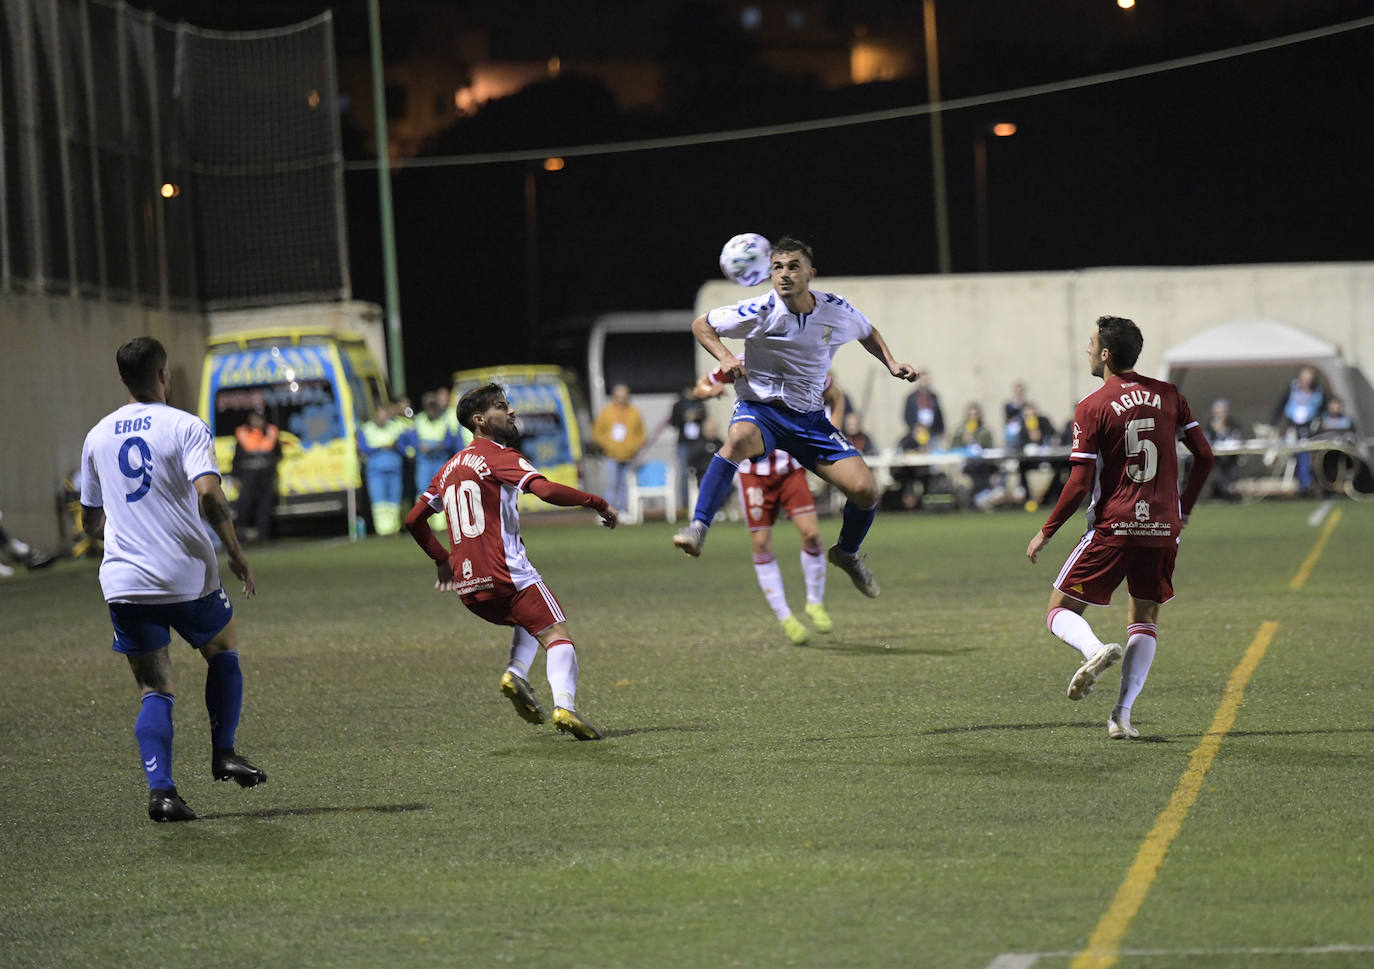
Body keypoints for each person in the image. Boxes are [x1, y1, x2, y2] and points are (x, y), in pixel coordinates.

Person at [79, 336, 266, 822]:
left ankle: (162, 793)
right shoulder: (186, 426)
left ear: (122, 379)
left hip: (125, 582)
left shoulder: (97, 435)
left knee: (154, 688)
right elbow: (210, 496)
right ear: (164, 375)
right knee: (222, 650)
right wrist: (237, 553)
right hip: (187, 575)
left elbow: (89, 519)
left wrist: (113, 538)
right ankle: (223, 751)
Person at [672, 236, 920, 599]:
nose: (784, 275)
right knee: (738, 439)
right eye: (777, 267)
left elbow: (867, 333)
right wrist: (725, 356)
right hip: (762, 411)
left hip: (809, 420)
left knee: (866, 491)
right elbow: (701, 325)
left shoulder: (835, 309)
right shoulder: (758, 310)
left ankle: (847, 553)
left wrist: (892, 362)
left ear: (810, 273)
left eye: (793, 267)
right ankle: (698, 527)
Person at [1026, 316, 1213, 740]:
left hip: (1115, 525)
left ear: (1106, 354)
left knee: (1058, 609)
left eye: (1091, 344)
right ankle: (1121, 717)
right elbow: (1205, 457)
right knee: (1144, 619)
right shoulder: (1169, 396)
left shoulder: (1092, 406)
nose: (1087, 350)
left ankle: (1093, 651)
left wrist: (1047, 530)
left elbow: (1078, 482)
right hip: (1163, 527)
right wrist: (1184, 509)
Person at [404, 383, 618, 740]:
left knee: (529, 621)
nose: (512, 412)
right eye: (502, 407)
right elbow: (545, 490)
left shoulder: (447, 469)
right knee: (557, 634)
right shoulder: (499, 456)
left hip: (470, 588)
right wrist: (596, 501)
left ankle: (516, 673)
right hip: (508, 574)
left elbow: (413, 520)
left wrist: (442, 560)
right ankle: (565, 706)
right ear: (480, 420)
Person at [696, 363, 834, 644]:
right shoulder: (740, 361)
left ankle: (814, 601)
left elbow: (833, 391)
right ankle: (785, 617)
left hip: (789, 468)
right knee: (760, 543)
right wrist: (712, 390)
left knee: (811, 534)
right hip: (753, 475)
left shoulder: (795, 356)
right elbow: (700, 386)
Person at [403, 390, 459, 532]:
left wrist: (441, 445)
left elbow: (451, 440)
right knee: (423, 491)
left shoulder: (444, 420)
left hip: (440, 459)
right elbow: (409, 438)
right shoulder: (419, 420)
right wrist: (418, 446)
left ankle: (440, 525)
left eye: (434, 406)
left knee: (441, 491)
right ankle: (422, 522)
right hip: (424, 460)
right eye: (429, 406)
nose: (432, 410)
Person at [593, 383, 646, 515]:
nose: (621, 399)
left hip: (629, 455)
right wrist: (607, 445)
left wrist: (635, 446)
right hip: (611, 454)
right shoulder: (607, 412)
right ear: (614, 397)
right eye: (618, 396)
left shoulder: (634, 412)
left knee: (625, 485)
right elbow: (597, 432)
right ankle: (607, 512)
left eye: (624, 396)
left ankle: (624, 511)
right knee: (611, 484)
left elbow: (641, 433)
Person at [231, 408, 281, 542]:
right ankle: (241, 535)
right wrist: (235, 476)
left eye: (259, 418)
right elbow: (237, 458)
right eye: (254, 418)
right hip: (248, 475)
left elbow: (278, 454)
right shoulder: (243, 433)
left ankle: (264, 536)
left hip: (266, 475)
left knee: (265, 506)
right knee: (244, 504)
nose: (257, 421)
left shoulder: (271, 432)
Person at [1274, 366, 1324, 495]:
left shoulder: (1318, 392)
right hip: (1292, 426)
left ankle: (1305, 485)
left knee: (1305, 454)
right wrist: (1273, 423)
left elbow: (1321, 412)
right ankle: (1303, 483)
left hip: (1308, 428)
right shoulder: (1292, 388)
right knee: (1296, 453)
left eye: (1309, 376)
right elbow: (1280, 405)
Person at [358, 402, 406, 535]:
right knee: (380, 502)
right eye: (382, 414)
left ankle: (394, 528)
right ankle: (383, 530)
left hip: (394, 470)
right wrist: (381, 447)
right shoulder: (366, 429)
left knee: (394, 501)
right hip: (376, 472)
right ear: (376, 415)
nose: (384, 418)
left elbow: (404, 445)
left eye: (386, 415)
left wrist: (396, 445)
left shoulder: (395, 427)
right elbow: (363, 449)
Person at [668, 384, 710, 513]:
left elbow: (705, 418)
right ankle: (686, 506)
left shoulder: (700, 403)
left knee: (704, 471)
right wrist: (684, 418)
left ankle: (703, 504)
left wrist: (696, 417)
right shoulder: (678, 405)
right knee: (684, 474)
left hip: (699, 442)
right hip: (684, 443)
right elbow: (673, 422)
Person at [1201, 397, 1244, 500]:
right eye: (1218, 412)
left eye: (1223, 411)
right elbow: (1205, 442)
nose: (1220, 414)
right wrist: (1216, 430)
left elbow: (1236, 439)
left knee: (1231, 464)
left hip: (1230, 456)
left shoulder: (1233, 425)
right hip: (1215, 457)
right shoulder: (1209, 427)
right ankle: (1222, 491)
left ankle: (1226, 490)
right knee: (1214, 465)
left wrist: (1224, 432)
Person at [902, 374, 945, 451]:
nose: (924, 382)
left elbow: (939, 415)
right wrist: (915, 429)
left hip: (932, 434)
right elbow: (906, 416)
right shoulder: (911, 397)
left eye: (926, 380)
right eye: (922, 380)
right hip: (916, 435)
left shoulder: (934, 397)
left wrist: (940, 432)